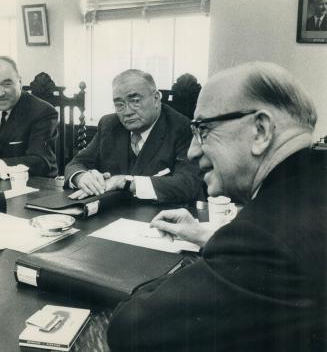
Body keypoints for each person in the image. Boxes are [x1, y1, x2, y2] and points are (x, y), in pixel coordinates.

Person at [107, 62, 327, 351]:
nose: (192, 150)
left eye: (204, 130)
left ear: (260, 130)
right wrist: (209, 237)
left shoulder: (261, 240)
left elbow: (130, 328)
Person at [65, 69, 202, 203]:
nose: (127, 112)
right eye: (119, 104)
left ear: (155, 98)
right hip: (112, 214)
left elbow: (188, 184)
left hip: (163, 217)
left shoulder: (183, 128)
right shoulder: (109, 124)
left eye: (135, 101)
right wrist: (81, 177)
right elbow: (77, 163)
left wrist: (124, 182)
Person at [0, 56, 58, 177]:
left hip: (34, 187)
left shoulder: (43, 112)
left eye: (7, 84)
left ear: (20, 82)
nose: (1, 93)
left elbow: (41, 161)